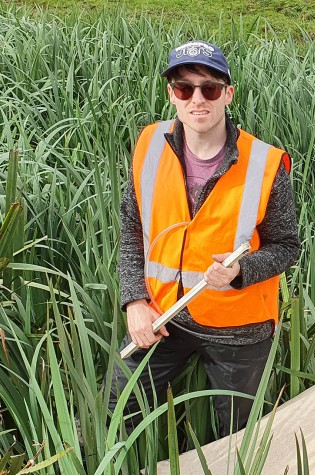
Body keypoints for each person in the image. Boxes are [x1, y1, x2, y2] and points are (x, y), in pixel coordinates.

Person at [108, 40, 300, 439]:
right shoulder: (149, 145)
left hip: (238, 329)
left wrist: (241, 271)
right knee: (112, 414)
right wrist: (134, 300)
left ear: (228, 94)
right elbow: (132, 227)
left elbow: (286, 246)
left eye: (209, 88)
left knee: (243, 441)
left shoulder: (264, 164)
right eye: (184, 88)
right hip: (162, 317)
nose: (197, 99)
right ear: (172, 95)